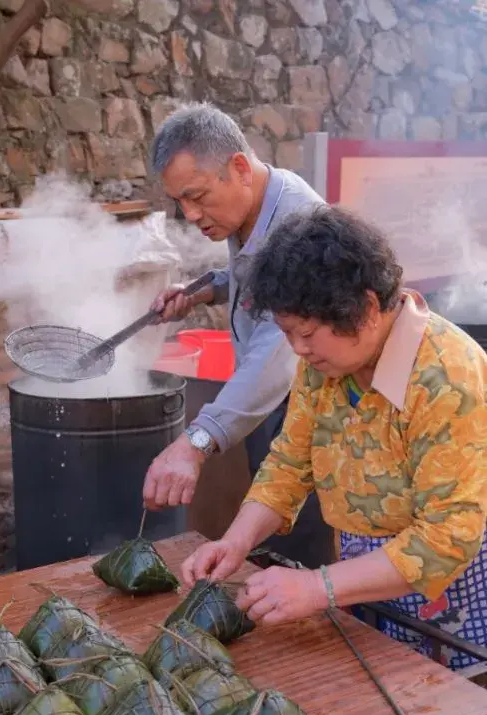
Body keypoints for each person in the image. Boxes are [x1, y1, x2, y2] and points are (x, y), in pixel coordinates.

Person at [182, 204, 487, 672]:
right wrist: (236, 542)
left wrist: (318, 587)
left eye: (306, 334)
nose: (297, 350)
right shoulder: (322, 365)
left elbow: (447, 537)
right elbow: (289, 463)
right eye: (288, 333)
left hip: (446, 595)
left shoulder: (447, 376)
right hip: (359, 575)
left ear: (365, 309)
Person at [142, 102, 333, 567]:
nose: (190, 214)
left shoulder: (298, 224)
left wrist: (196, 441)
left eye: (198, 196)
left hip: (307, 409)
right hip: (275, 408)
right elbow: (255, 279)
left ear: (240, 168)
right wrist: (203, 291)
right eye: (179, 201)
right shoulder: (251, 209)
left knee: (295, 549)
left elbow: (276, 351)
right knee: (269, 537)